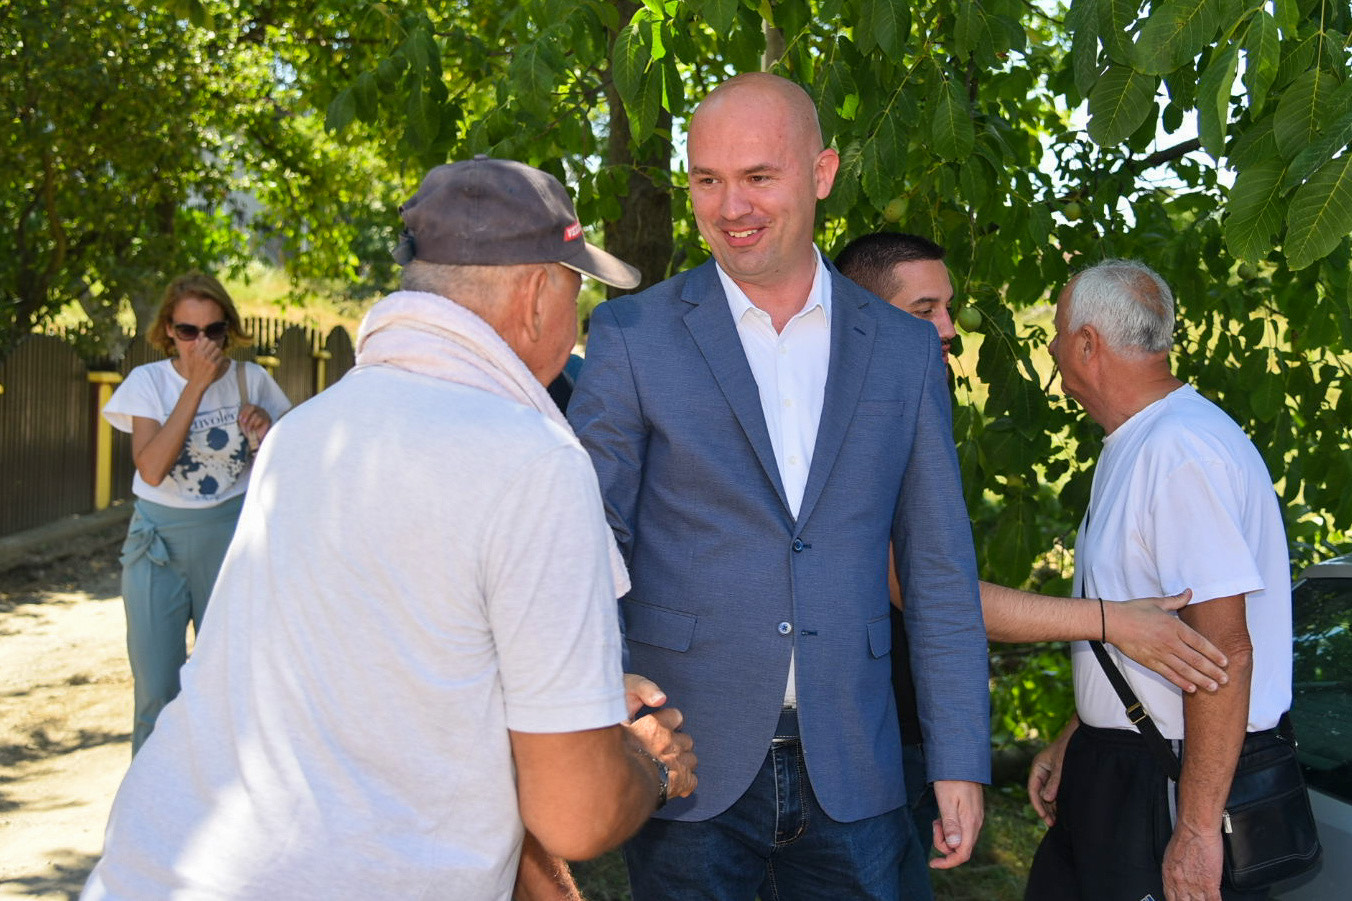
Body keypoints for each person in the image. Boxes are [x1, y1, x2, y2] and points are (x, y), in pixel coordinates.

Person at [82, 157, 697, 900]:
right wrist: (649, 763)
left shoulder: (305, 435)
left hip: (155, 870)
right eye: (577, 292)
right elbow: (577, 813)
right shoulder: (532, 459)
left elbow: (403, 691)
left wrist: (566, 692)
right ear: (538, 295)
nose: (577, 325)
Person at [567, 72, 988, 901]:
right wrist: (602, 692)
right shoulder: (632, 334)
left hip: (857, 766)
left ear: (822, 173)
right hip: (687, 765)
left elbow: (938, 569)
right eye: (707, 179)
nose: (732, 207)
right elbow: (583, 542)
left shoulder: (903, 351)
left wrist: (959, 757)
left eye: (759, 176)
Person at [835, 234, 1231, 858]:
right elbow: (918, 587)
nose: (950, 328)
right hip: (855, 742)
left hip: (906, 730)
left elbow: (1227, 648)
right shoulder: (842, 419)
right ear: (860, 318)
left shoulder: (1177, 446)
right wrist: (1110, 622)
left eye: (948, 307)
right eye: (924, 310)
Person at [1022, 260, 1292, 901]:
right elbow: (1146, 630)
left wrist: (1197, 831)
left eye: (1057, 333)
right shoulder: (1143, 441)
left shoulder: (1178, 451)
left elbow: (1225, 651)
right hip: (1126, 761)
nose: (1052, 348)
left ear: (1088, 344)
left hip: (1173, 775)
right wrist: (1079, 734)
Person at [101, 272, 290, 753]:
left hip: (228, 541)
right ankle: (149, 797)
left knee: (227, 687)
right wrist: (196, 388)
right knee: (156, 691)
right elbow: (152, 468)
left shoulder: (252, 380)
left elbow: (287, 467)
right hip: (158, 545)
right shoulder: (148, 383)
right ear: (169, 329)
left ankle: (226, 792)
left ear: (229, 329)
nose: (201, 343)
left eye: (214, 331)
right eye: (188, 331)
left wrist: (266, 432)